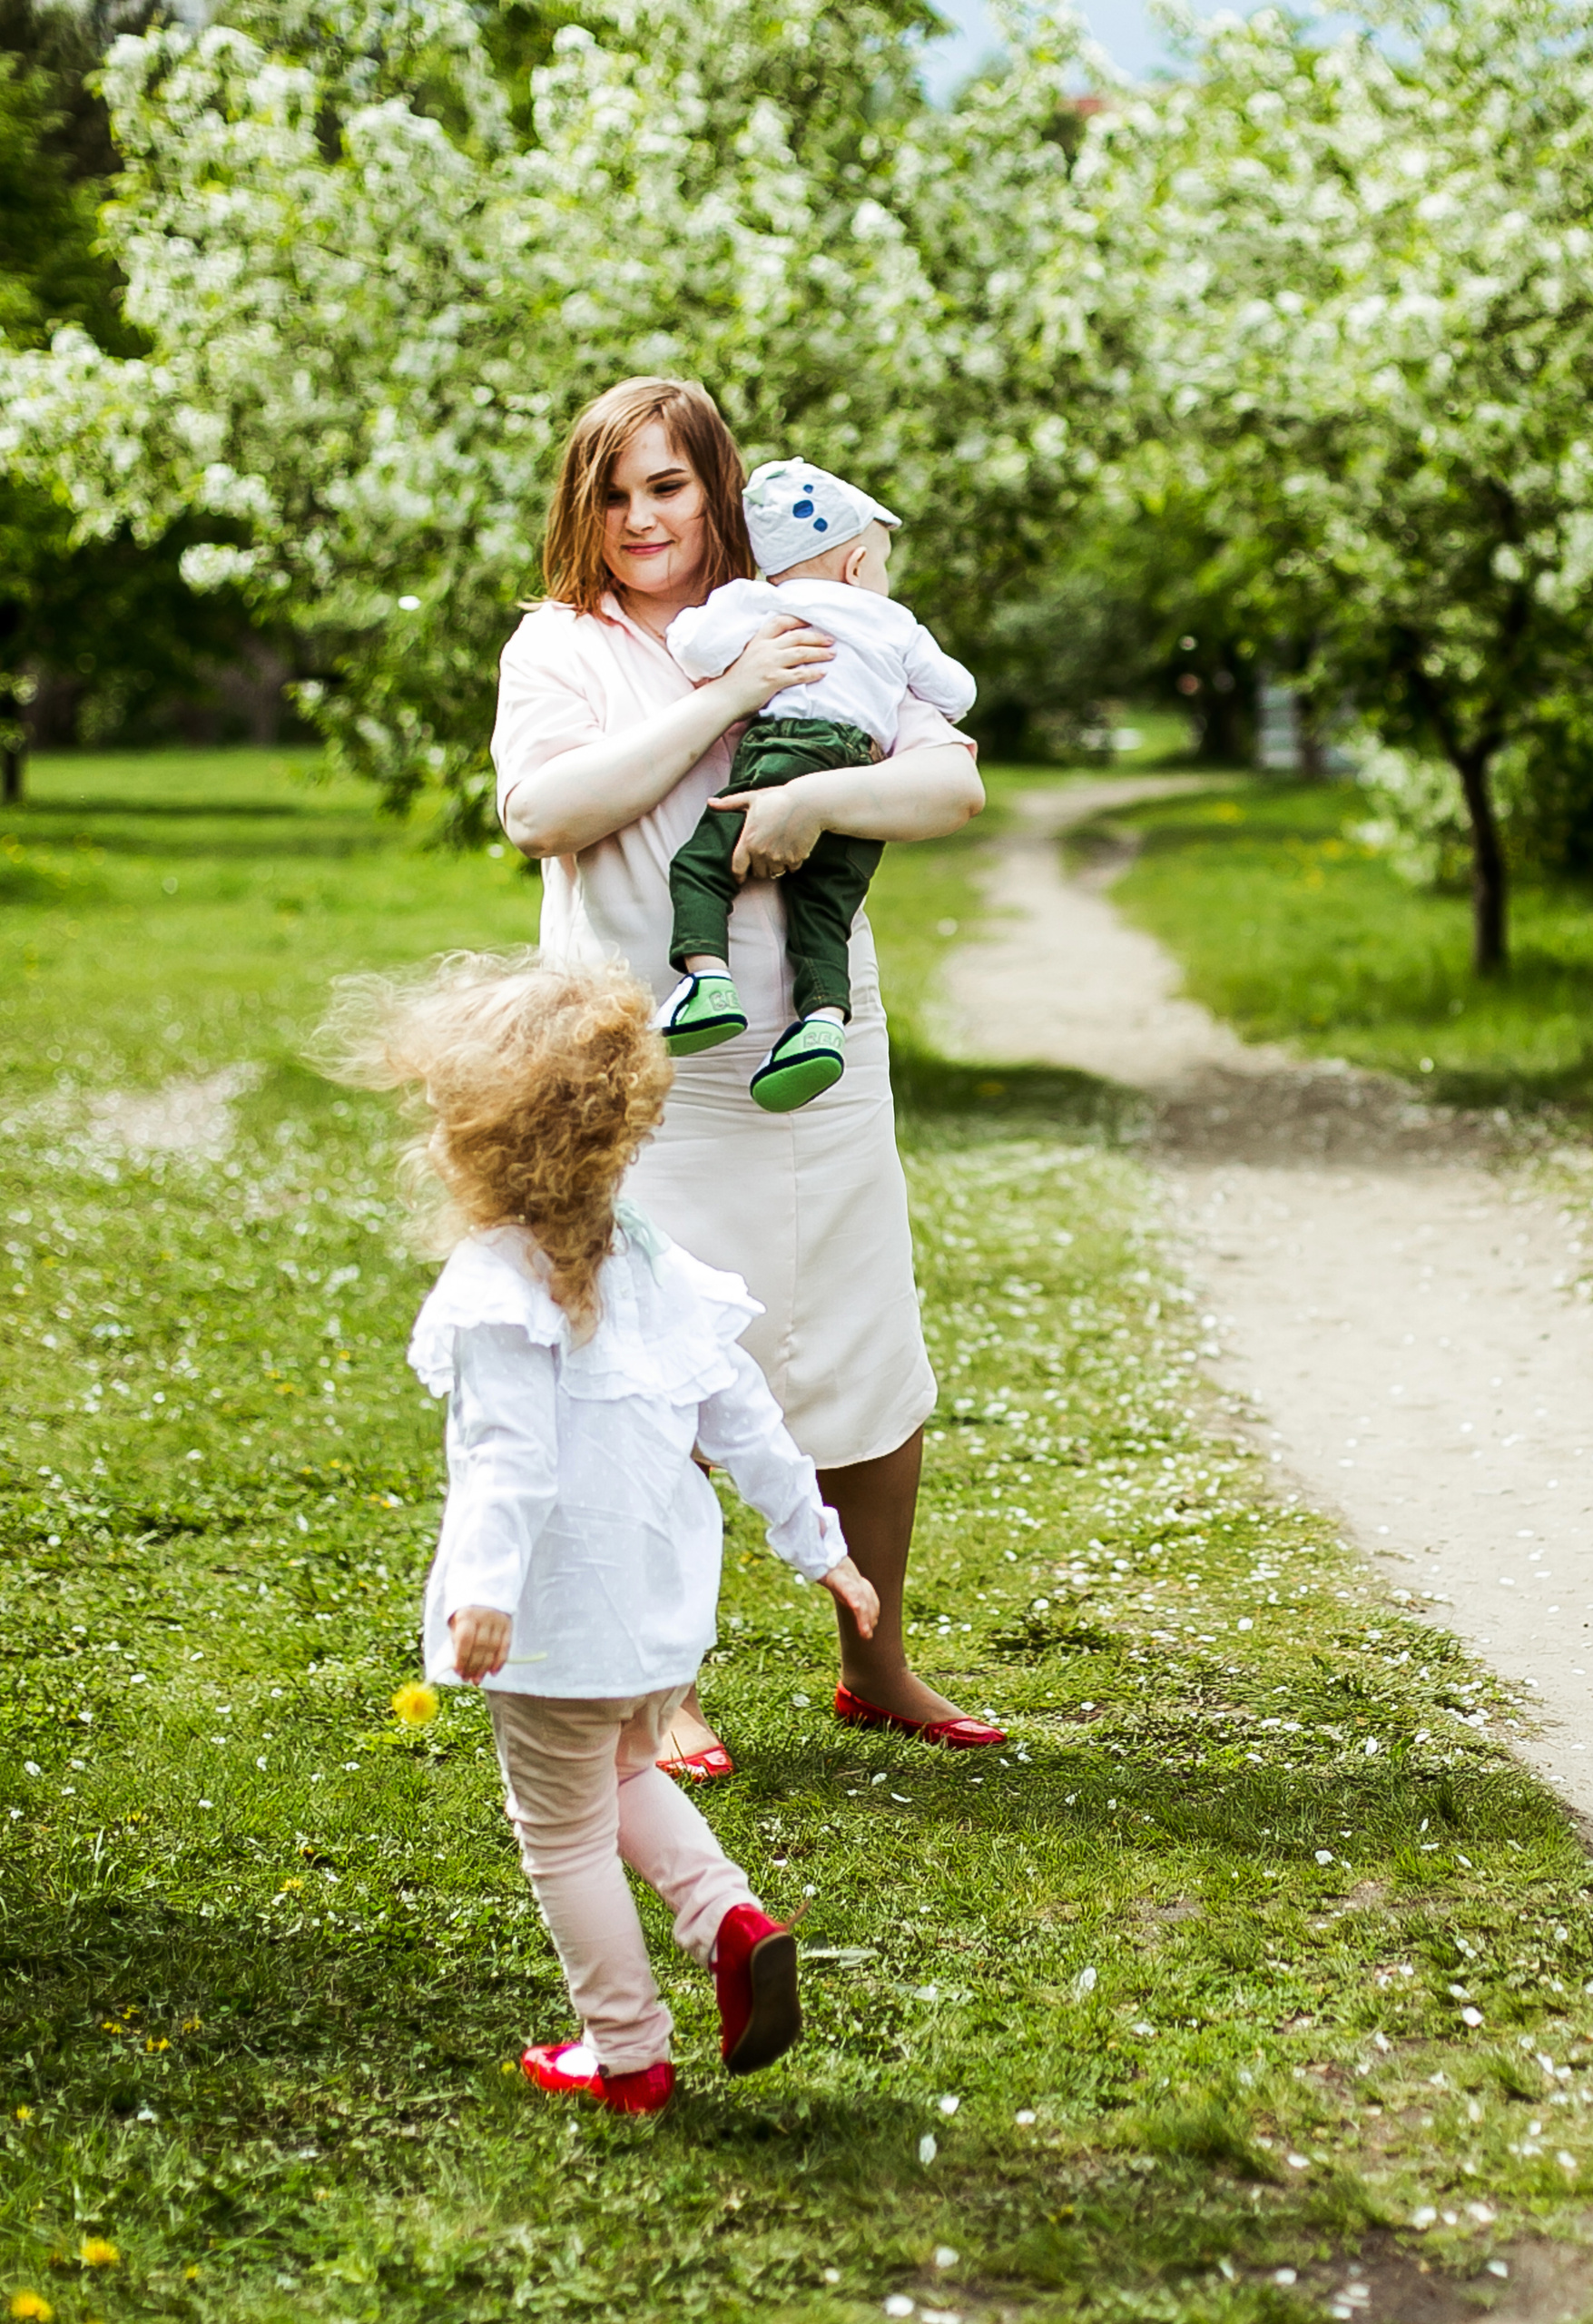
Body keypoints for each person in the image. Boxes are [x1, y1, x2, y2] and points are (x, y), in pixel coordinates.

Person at [491, 374, 1005, 1776]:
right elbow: (543, 813)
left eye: (668, 486)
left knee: (864, 1353)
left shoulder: (811, 610)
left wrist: (811, 799)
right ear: (581, 513)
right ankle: (665, 1686)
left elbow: (949, 784)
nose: (641, 518)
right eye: (613, 493)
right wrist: (721, 698)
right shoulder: (564, 647)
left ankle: (876, 1658)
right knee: (653, 1378)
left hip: (814, 1056)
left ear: (717, 490)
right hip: (646, 1068)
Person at [328, 951, 882, 2116]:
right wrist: (817, 1541)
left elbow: (508, 1461)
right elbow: (743, 1409)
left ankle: (624, 2050)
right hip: (655, 1612)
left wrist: (484, 1592)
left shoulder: (495, 1283)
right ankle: (728, 1914)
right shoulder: (644, 1253)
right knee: (625, 1767)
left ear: (475, 1137)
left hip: (555, 1622)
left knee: (560, 1830)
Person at [655, 457, 976, 1114]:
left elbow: (690, 646)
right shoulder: (897, 625)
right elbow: (958, 693)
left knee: (702, 867)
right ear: (858, 566)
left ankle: (708, 985)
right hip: (861, 778)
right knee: (824, 912)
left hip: (785, 756)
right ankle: (822, 1025)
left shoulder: (766, 602)